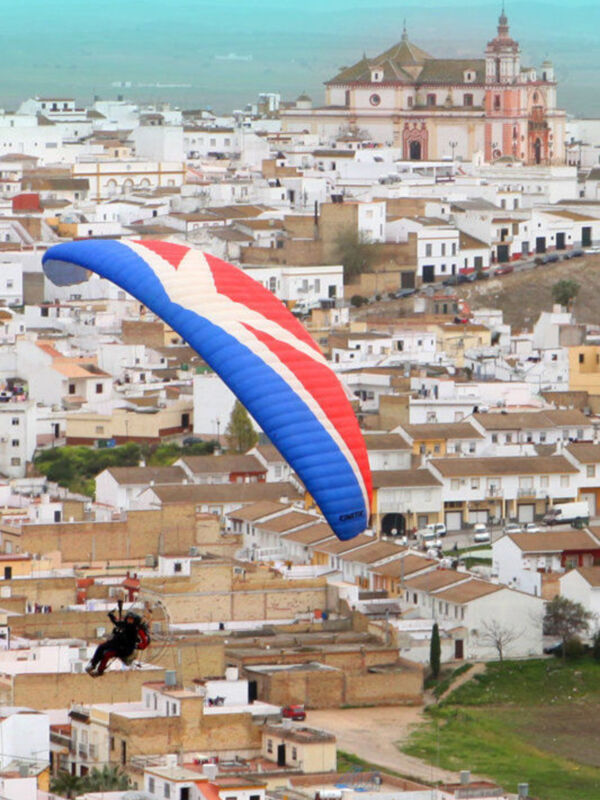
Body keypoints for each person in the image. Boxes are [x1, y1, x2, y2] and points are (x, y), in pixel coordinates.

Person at [86, 606, 150, 677]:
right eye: (128, 619)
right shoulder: (124, 624)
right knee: (101, 647)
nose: (129, 621)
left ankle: (100, 671)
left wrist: (136, 646)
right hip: (116, 643)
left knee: (107, 654)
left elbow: (145, 641)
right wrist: (111, 616)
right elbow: (117, 622)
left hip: (124, 649)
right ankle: (93, 664)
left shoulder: (137, 628)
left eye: (131, 619)